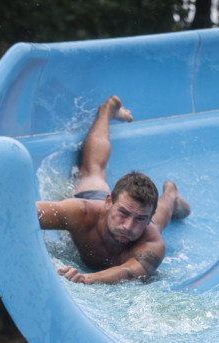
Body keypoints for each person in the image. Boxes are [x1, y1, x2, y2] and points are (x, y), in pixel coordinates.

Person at [35, 96, 191, 285]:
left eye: (140, 219)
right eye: (123, 213)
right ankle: (108, 110)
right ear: (109, 202)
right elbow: (27, 213)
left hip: (146, 224)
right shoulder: (82, 212)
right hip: (95, 200)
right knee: (92, 171)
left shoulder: (152, 244)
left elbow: (128, 273)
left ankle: (171, 193)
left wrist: (85, 278)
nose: (128, 226)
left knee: (158, 223)